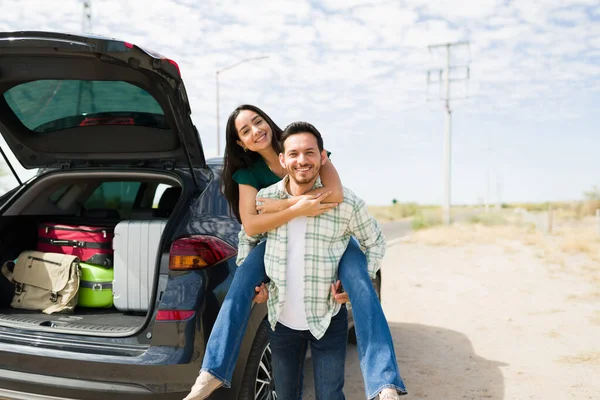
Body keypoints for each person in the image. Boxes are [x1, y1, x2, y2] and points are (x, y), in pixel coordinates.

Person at [183, 105, 406, 400]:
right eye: (245, 131)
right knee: (243, 280)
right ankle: (212, 371)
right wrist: (293, 207)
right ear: (241, 143)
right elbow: (251, 225)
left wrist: (282, 205)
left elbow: (336, 195)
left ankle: (383, 382)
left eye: (258, 122)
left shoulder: (301, 144)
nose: (256, 131)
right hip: (274, 239)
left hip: (333, 235)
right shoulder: (250, 175)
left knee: (361, 283)